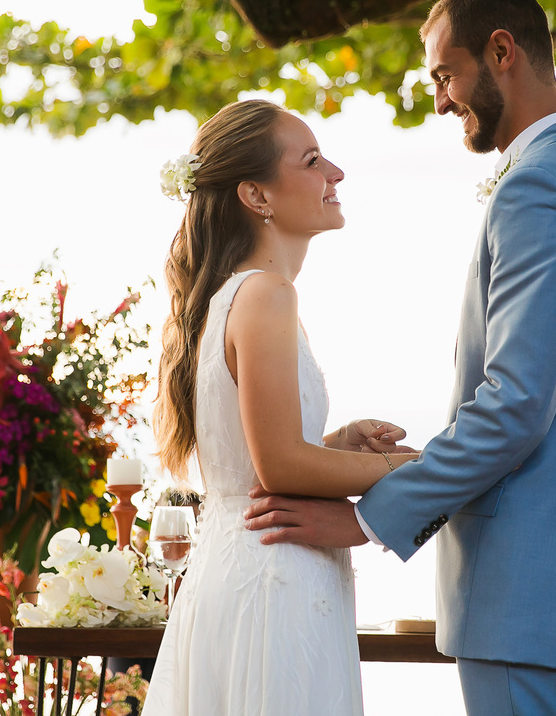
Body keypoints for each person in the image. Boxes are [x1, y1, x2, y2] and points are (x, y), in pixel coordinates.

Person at [245, 0, 556, 716]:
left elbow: (514, 407)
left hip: (527, 598)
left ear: (501, 51)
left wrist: (369, 515)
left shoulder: (543, 188)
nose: (439, 101)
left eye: (445, 74)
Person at [139, 98, 418, 716]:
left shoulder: (230, 295)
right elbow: (281, 470)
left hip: (242, 566)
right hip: (271, 582)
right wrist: (412, 467)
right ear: (256, 196)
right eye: (313, 160)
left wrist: (335, 444)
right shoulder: (265, 294)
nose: (336, 174)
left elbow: (259, 453)